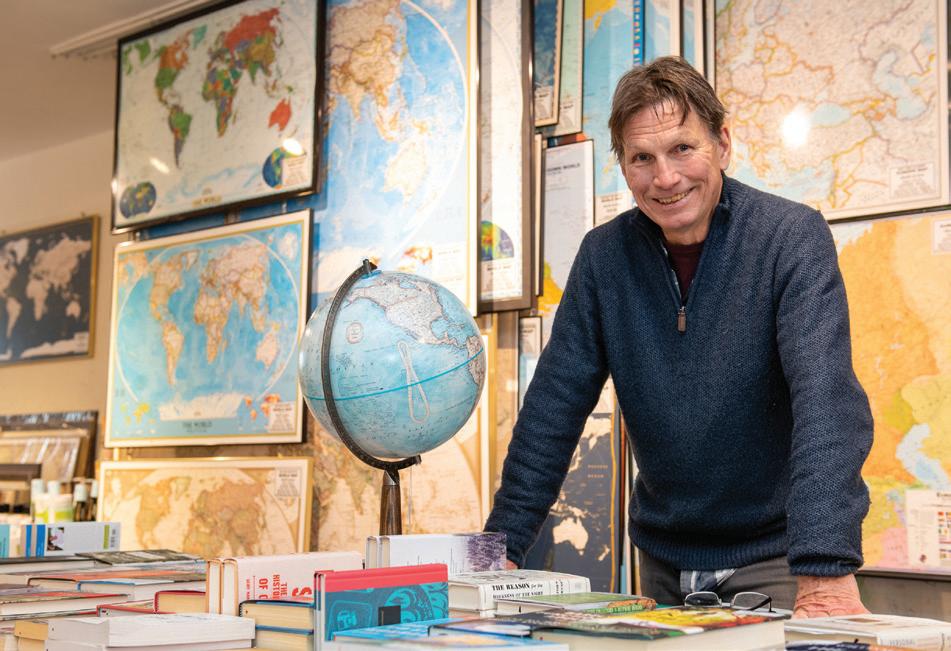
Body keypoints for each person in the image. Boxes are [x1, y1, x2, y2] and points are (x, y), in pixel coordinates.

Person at [484, 56, 873, 617]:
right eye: (642, 158)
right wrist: (499, 551)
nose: (665, 178)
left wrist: (824, 568)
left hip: (778, 558)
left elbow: (827, 403)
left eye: (682, 148)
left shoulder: (789, 237)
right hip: (662, 562)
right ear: (624, 167)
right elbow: (552, 409)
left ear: (722, 144)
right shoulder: (602, 258)